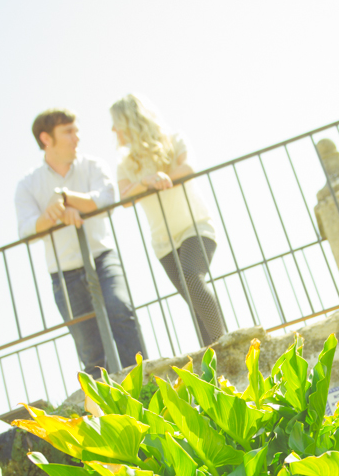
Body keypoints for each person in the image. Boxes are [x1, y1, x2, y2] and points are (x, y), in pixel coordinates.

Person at [15, 108, 144, 378]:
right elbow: (27, 231)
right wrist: (54, 215)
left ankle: (145, 382)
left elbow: (106, 201)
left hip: (102, 257)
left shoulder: (92, 166)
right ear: (46, 139)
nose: (77, 138)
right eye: (69, 132)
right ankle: (106, 408)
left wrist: (64, 197)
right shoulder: (28, 184)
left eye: (76, 130)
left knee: (120, 311)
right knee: (90, 347)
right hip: (64, 274)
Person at [110, 94, 225, 346]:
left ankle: (226, 343)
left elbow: (188, 169)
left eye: (116, 123)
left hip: (196, 226)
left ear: (130, 121)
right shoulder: (125, 165)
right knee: (193, 301)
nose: (112, 130)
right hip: (163, 242)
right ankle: (212, 360)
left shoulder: (174, 140)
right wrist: (145, 181)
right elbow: (126, 199)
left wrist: (163, 177)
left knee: (191, 276)